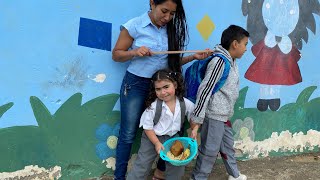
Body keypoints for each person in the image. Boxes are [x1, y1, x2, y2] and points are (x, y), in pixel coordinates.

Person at [111, 0, 210, 179]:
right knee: (128, 134)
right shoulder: (135, 25)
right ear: (152, 3)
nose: (167, 17)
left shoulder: (171, 30)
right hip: (136, 85)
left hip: (163, 86)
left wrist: (193, 57)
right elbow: (116, 54)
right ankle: (120, 176)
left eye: (172, 14)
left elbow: (171, 63)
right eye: (164, 11)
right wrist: (134, 52)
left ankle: (160, 172)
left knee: (171, 130)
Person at [189, 25, 250, 180]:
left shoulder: (232, 61)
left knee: (227, 147)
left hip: (223, 116)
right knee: (209, 151)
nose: (245, 49)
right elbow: (205, 89)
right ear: (235, 44)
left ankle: (234, 175)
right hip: (213, 115)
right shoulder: (219, 62)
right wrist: (197, 118)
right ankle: (198, 178)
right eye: (245, 45)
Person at [126, 69, 195, 180]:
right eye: (158, 89)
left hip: (173, 138)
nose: (163, 92)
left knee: (177, 165)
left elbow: (194, 117)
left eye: (166, 87)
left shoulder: (185, 103)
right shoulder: (153, 107)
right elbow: (148, 128)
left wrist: (194, 129)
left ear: (175, 85)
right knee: (142, 164)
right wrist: (157, 143)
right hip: (152, 138)